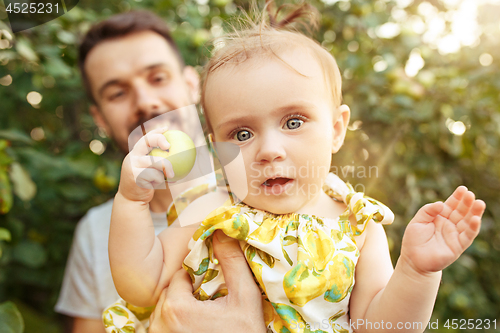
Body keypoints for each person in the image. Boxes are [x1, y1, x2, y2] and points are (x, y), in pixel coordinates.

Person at [104, 2, 486, 333]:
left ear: (336, 130)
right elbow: (142, 282)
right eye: (241, 134)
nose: (269, 150)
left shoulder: (356, 225)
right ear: (216, 147)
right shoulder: (210, 209)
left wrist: (417, 272)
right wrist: (132, 201)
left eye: (293, 122)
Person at [55, 10, 263, 333]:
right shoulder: (96, 232)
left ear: (192, 84)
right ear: (100, 118)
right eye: (117, 93)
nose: (146, 102)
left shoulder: (270, 190)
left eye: (157, 78)